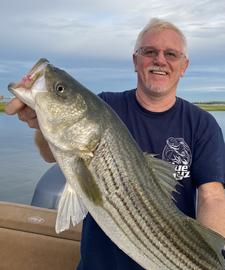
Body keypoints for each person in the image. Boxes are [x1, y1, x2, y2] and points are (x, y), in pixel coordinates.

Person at [5, 18, 225, 269]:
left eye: (171, 54)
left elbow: (212, 197)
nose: (160, 60)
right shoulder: (106, 106)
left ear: (184, 66)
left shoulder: (202, 124)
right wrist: (40, 122)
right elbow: (50, 154)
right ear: (135, 60)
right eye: (149, 51)